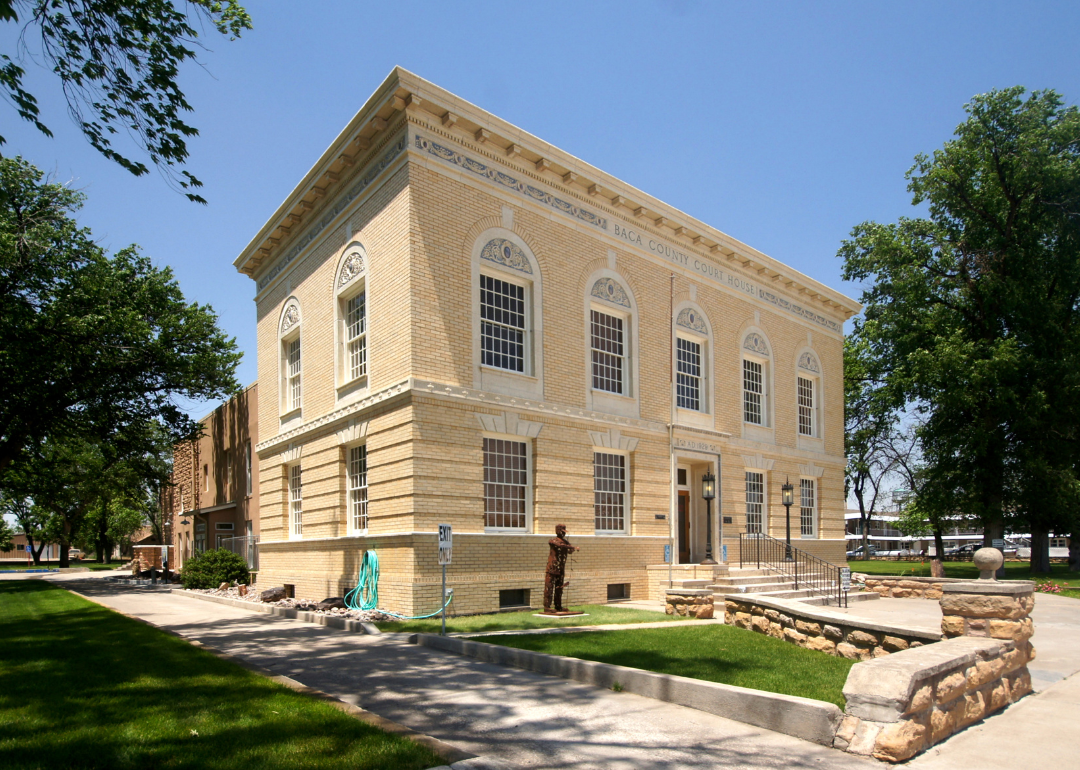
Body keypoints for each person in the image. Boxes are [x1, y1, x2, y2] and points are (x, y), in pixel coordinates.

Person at [543, 524, 579, 612]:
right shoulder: (553, 541)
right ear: (558, 531)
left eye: (564, 533)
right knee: (549, 587)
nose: (563, 534)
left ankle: (558, 606)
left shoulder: (565, 542)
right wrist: (573, 547)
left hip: (561, 568)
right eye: (562, 532)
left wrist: (572, 549)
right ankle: (547, 607)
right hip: (552, 568)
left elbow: (569, 550)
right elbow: (560, 545)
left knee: (559, 588)